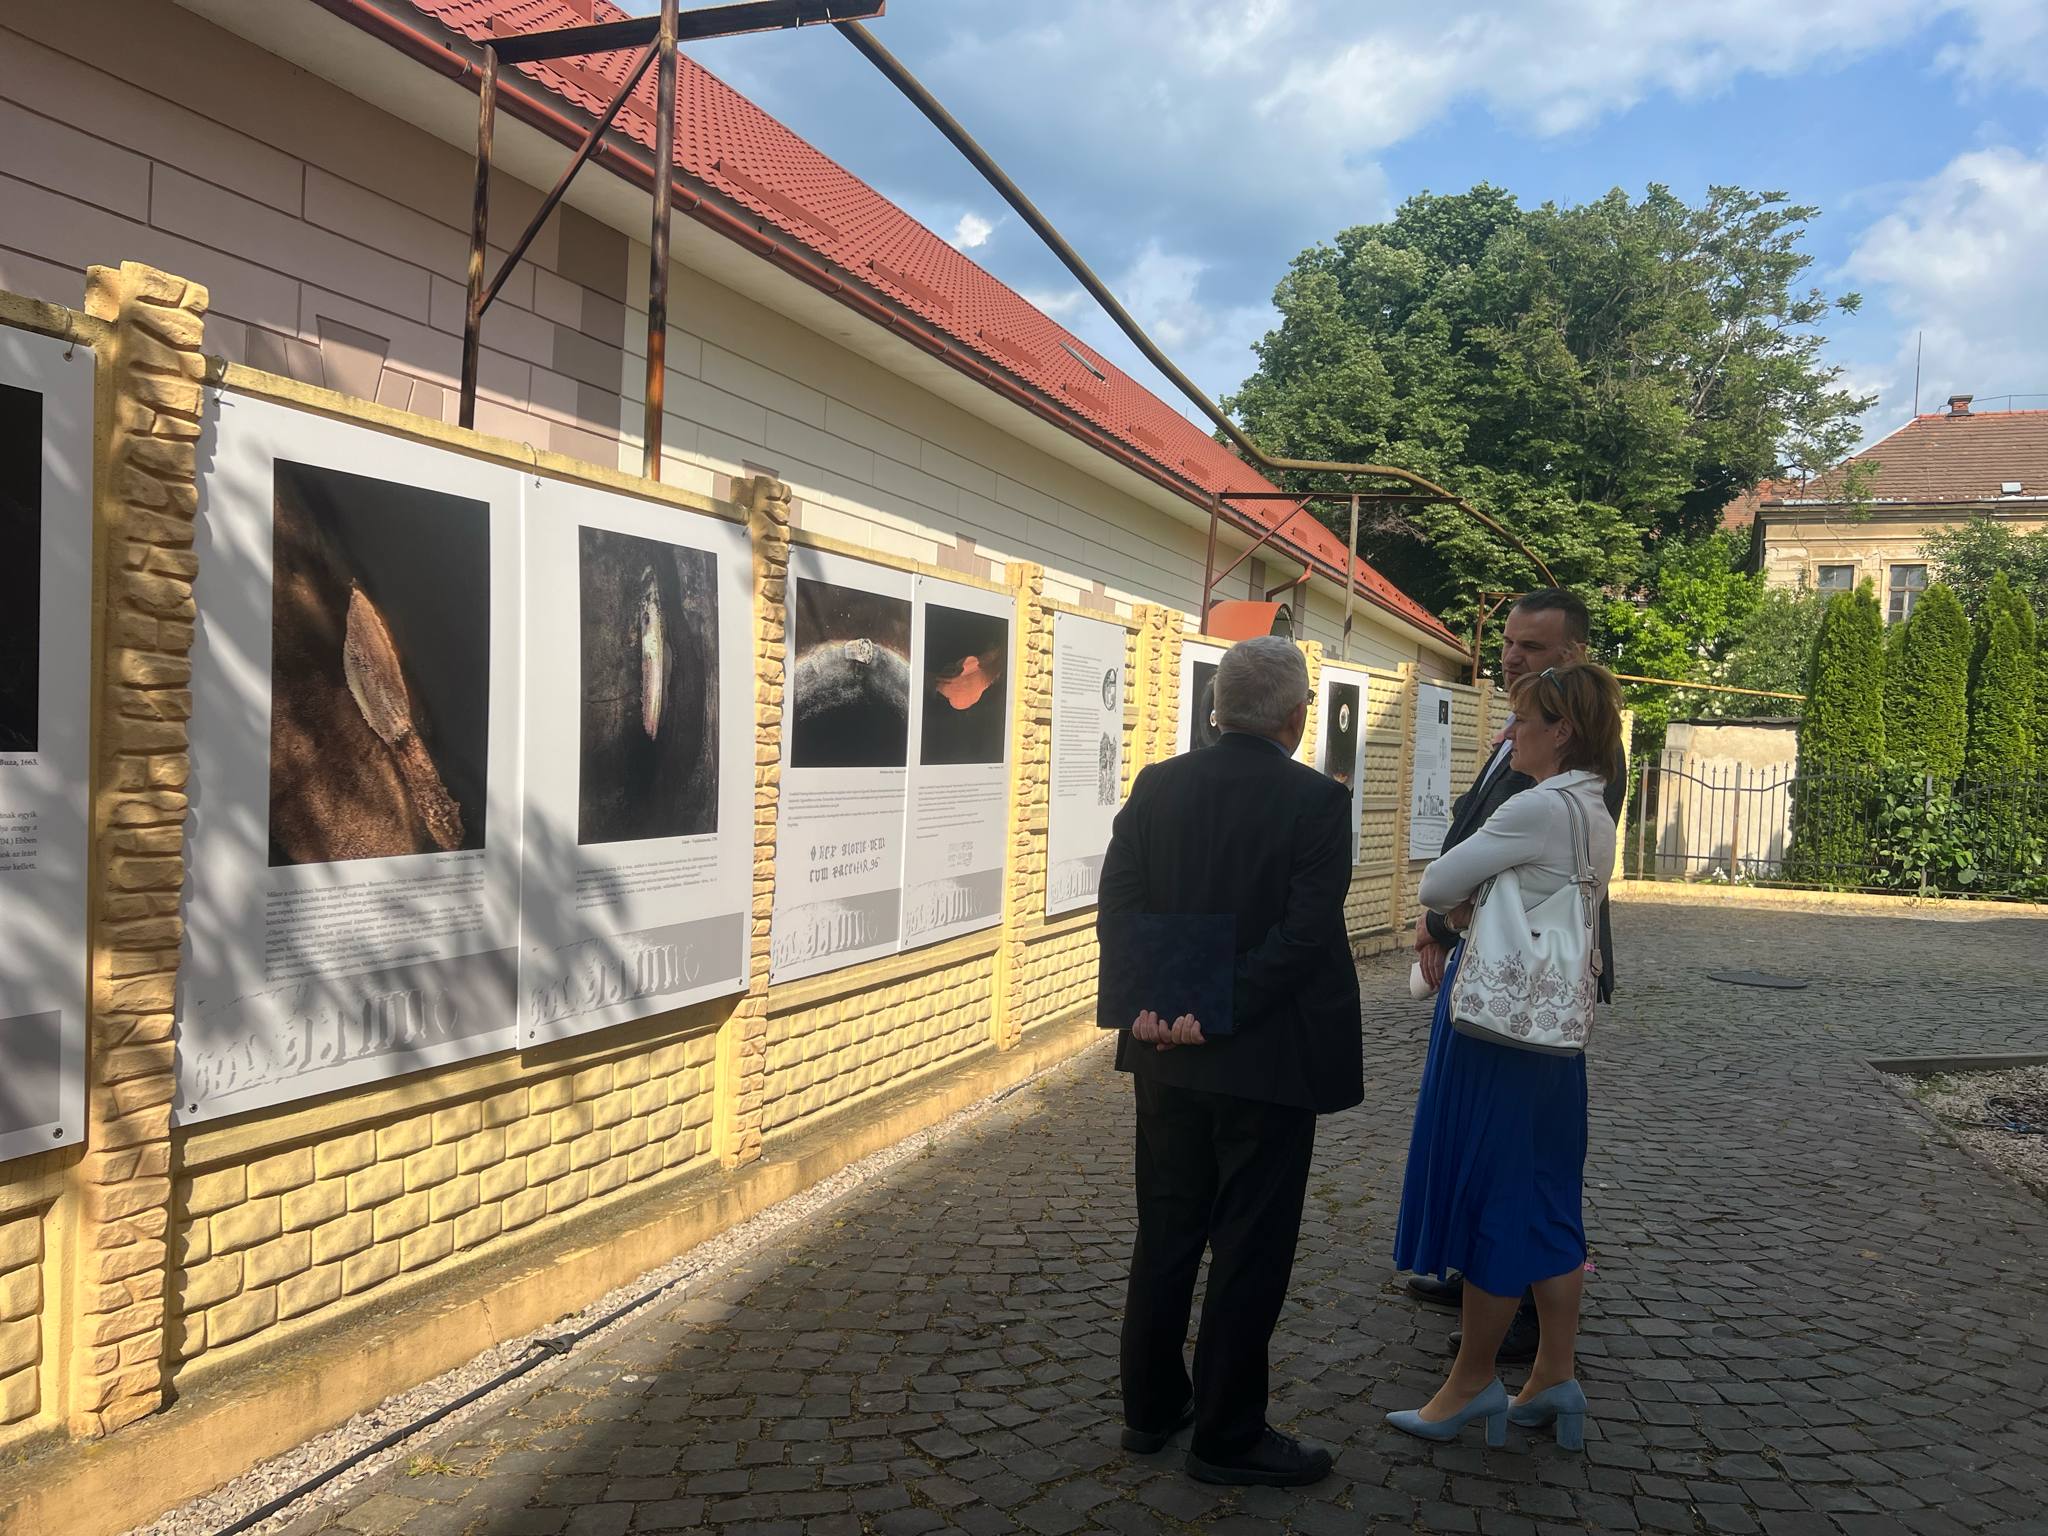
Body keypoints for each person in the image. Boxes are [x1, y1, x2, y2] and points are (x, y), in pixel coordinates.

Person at [1100, 636, 1363, 1488]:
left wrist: (1163, 1005)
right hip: (1264, 1059)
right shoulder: (1317, 801)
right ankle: (1227, 1434)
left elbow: (1120, 906)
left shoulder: (1157, 784)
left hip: (1164, 1050)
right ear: (1297, 715)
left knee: (1167, 1229)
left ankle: (1150, 1409)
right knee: (1250, 1245)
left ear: (1217, 709)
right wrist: (1215, 1009)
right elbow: (1303, 936)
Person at [1386, 663, 1623, 1449]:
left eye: (1523, 720)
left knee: (1497, 1195)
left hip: (1501, 1034)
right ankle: (1555, 1373)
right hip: (1552, 1036)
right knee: (1550, 1197)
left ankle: (1472, 1383)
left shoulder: (1538, 806)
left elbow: (1437, 883)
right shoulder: (1594, 809)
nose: (1509, 732)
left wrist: (1468, 900)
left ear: (1561, 731)